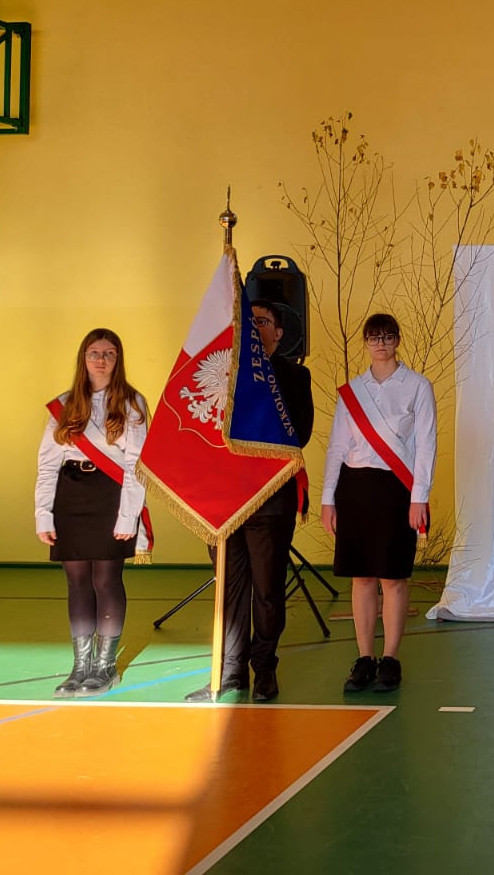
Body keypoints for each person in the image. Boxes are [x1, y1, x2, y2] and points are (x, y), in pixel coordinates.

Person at [186, 300, 316, 702]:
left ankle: (264, 668)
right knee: (229, 589)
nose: (254, 327)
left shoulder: (294, 376)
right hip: (225, 501)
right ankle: (230, 672)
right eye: (248, 320)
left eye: (262, 321)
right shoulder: (223, 373)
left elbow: (300, 433)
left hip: (269, 500)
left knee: (267, 591)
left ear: (279, 333)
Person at [321, 313, 436, 694]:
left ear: (397, 340)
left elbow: (426, 444)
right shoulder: (352, 391)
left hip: (396, 488)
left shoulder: (417, 386)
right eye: (374, 338)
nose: (381, 344)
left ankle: (390, 658)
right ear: (366, 343)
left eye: (387, 337)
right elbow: (337, 446)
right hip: (355, 487)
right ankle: (364, 658)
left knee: (393, 576)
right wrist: (327, 498)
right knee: (362, 576)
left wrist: (419, 497)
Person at [35, 328, 151, 697]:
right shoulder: (64, 404)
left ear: (118, 360)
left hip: (111, 497)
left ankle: (105, 667)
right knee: (77, 582)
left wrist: (128, 516)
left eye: (109, 353)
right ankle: (80, 666)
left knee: (106, 580)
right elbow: (47, 465)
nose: (101, 360)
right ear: (83, 359)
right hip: (71, 497)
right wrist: (43, 514)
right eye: (94, 353)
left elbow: (137, 465)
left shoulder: (132, 403)